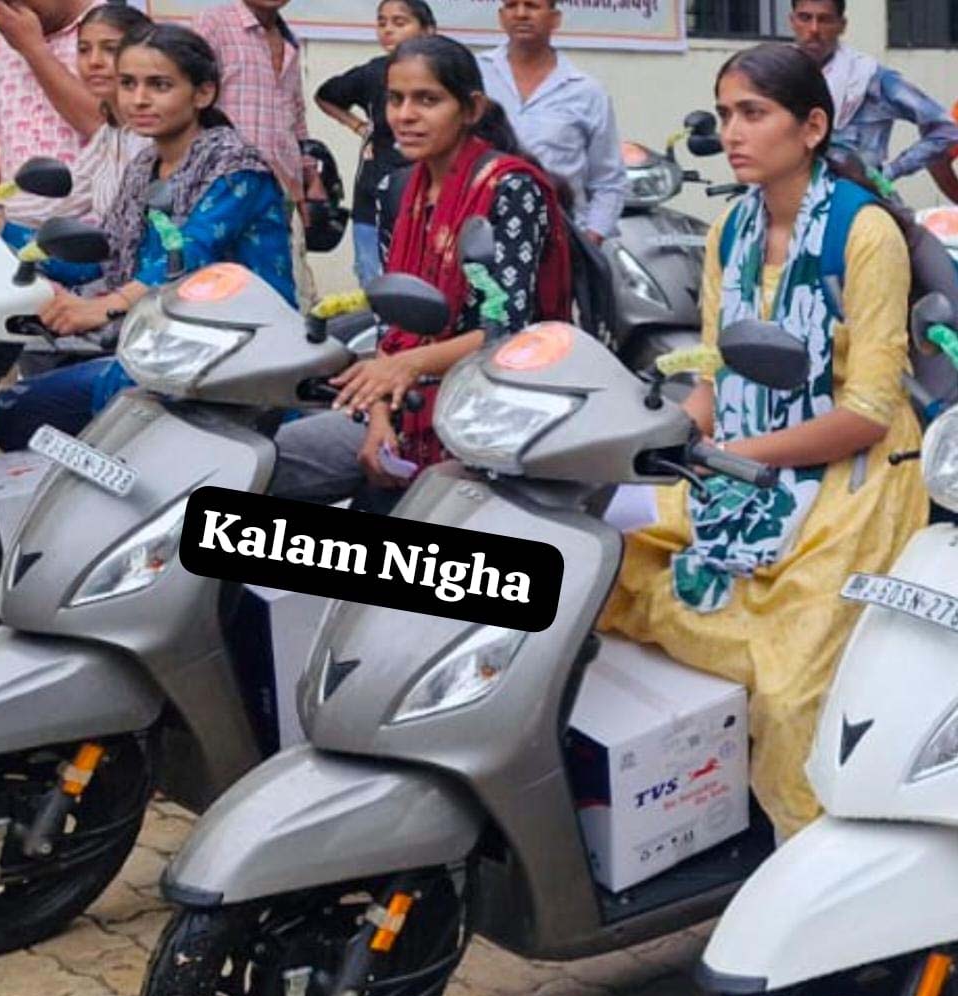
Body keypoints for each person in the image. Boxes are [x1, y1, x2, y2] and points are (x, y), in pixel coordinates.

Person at [601, 43, 928, 840]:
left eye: (754, 113)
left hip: (855, 476)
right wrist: (660, 441)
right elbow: (717, 375)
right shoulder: (731, 231)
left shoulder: (865, 233)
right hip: (746, 458)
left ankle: (808, 855)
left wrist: (737, 459)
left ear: (811, 127)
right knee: (611, 561)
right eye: (725, 114)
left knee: (789, 689)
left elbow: (868, 411)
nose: (733, 132)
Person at [270, 34, 571, 501]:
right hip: (401, 403)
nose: (405, 115)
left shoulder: (509, 189)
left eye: (427, 100)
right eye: (396, 99)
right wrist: (379, 418)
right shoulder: (396, 189)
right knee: (267, 461)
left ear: (471, 109)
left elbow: (510, 332)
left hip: (488, 410)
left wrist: (406, 367)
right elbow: (391, 324)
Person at [0, 24, 296, 452]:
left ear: (203, 93)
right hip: (162, 347)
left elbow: (186, 257)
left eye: (159, 85)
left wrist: (103, 307)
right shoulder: (144, 168)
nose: (139, 99)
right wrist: (5, 234)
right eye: (128, 84)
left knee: (44, 412)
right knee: (12, 409)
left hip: (238, 353)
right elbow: (104, 256)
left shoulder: (235, 168)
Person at [192, 0, 320, 309]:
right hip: (224, 189)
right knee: (221, 295)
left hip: (281, 191)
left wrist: (309, 176)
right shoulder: (214, 25)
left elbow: (296, 114)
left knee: (279, 296)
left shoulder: (289, 41)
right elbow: (187, 96)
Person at [478, 0, 625, 246]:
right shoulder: (475, 74)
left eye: (532, 6)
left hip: (559, 239)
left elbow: (608, 181)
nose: (521, 14)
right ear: (501, 16)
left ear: (555, 19)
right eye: (512, 6)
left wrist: (590, 239)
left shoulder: (586, 92)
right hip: (480, 233)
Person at [315, 0, 437, 287]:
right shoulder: (373, 73)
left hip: (429, 198)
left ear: (428, 30)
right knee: (375, 286)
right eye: (382, 23)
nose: (388, 30)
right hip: (373, 198)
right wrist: (357, 126)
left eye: (399, 22)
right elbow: (325, 95)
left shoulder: (445, 75)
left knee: (425, 286)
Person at [4, 3, 155, 232]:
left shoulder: (152, 137)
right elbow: (65, 199)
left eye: (110, 49)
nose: (94, 61)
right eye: (84, 50)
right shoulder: (109, 136)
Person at [0, 0, 104, 226]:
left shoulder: (112, 32)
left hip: (85, 232)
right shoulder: (4, 45)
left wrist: (33, 49)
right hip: (13, 226)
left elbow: (106, 127)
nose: (9, 8)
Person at [790, 0, 958, 187]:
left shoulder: (868, 78)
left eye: (825, 20)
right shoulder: (777, 77)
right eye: (805, 18)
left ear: (842, 25)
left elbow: (946, 129)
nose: (813, 29)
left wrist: (889, 173)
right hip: (787, 196)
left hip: (856, 198)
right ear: (792, 21)